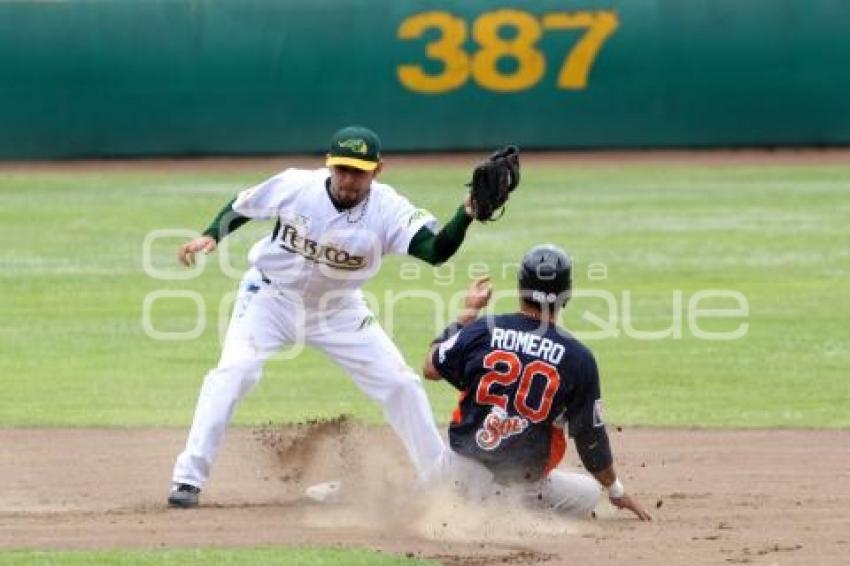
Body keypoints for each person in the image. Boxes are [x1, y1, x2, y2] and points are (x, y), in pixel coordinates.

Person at [168, 126, 481, 508]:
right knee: (234, 372)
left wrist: (466, 214)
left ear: (378, 169)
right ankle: (188, 479)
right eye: (343, 169)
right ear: (328, 165)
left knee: (401, 384)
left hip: (339, 309)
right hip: (270, 298)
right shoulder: (296, 185)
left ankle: (440, 483)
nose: (349, 179)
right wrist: (211, 235)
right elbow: (242, 205)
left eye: (359, 171)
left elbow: (434, 250)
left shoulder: (389, 208)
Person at [422, 245, 652, 520]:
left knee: (419, 497)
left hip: (455, 473)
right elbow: (591, 442)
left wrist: (467, 313)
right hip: (517, 491)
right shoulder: (578, 358)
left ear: (521, 288)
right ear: (566, 294)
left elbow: (431, 367)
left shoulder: (482, 329)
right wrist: (615, 490)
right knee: (589, 492)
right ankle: (507, 516)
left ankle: (451, 504)